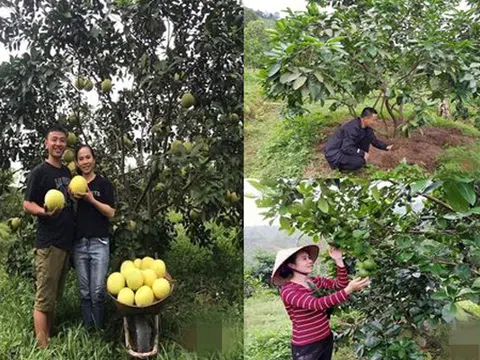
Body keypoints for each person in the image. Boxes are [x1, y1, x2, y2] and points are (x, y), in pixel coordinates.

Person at [23, 125, 75, 348]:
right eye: (54, 140)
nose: (58, 144)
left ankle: (48, 336)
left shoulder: (66, 172)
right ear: (46, 143)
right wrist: (44, 212)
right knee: (44, 297)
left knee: (53, 296)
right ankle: (43, 348)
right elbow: (27, 203)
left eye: (62, 140)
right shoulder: (39, 172)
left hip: (64, 243)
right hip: (48, 243)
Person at [271, 245, 370, 360]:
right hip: (307, 346)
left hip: (326, 337)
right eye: (304, 259)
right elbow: (317, 304)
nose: (310, 261)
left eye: (309, 258)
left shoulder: (315, 281)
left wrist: (338, 259)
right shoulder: (288, 290)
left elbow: (340, 284)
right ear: (292, 265)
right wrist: (348, 290)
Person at [71, 145, 115, 330]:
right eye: (81, 159)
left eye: (88, 157)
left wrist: (91, 199)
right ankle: (89, 330)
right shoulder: (73, 185)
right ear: (77, 163)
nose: (85, 161)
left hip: (99, 243)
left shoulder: (103, 184)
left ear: (94, 159)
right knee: (84, 292)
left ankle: (98, 329)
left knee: (97, 292)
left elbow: (111, 212)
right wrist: (72, 197)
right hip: (79, 243)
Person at [324, 107, 393, 171]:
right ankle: (339, 167)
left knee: (366, 139)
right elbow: (346, 147)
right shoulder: (352, 128)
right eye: (373, 120)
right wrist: (362, 153)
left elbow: (373, 140)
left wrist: (386, 147)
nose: (375, 122)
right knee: (359, 162)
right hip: (335, 153)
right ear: (366, 119)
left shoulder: (367, 128)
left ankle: (355, 161)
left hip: (344, 149)